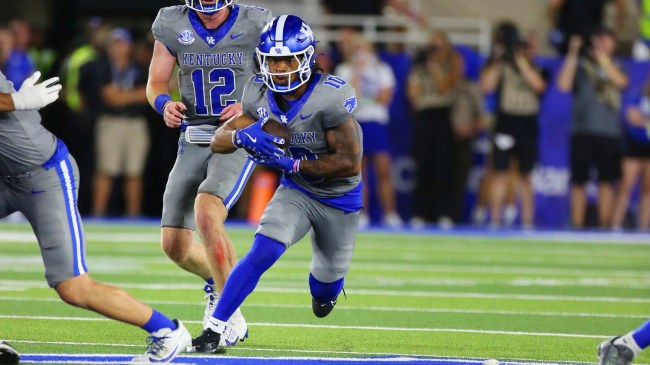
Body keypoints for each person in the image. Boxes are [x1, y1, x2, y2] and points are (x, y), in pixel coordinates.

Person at [191, 14, 363, 352]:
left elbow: (349, 163)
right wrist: (242, 137)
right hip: (296, 190)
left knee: (324, 289)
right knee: (264, 248)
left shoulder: (330, 96)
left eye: (288, 59)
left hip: (338, 198)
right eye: (274, 60)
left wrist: (295, 162)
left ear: (307, 58)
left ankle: (328, 291)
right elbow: (218, 141)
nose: (281, 67)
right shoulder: (258, 91)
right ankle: (215, 328)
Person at [0, 69, 190, 362]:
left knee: (73, 287)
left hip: (44, 176)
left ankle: (167, 332)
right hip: (7, 177)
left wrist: (15, 101)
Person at [146, 0, 272, 342]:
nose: (210, 12)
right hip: (193, 135)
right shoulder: (171, 21)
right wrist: (164, 104)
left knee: (207, 211)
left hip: (237, 134)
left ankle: (224, 314)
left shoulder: (256, 21)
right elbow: (156, 83)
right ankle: (219, 286)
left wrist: (251, 106)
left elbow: (281, 82)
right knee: (175, 245)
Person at [557, 28, 628, 228]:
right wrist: (573, 53)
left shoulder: (619, 66)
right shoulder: (581, 66)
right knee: (579, 181)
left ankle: (605, 225)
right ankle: (577, 225)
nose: (602, 44)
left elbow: (621, 82)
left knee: (606, 181)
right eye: (599, 40)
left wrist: (603, 58)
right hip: (582, 130)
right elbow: (563, 85)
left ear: (613, 44)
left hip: (608, 132)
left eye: (606, 40)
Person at [479, 22, 547, 228]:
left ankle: (527, 221)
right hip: (506, 123)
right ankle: (495, 219)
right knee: (499, 171)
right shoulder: (503, 66)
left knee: (525, 175)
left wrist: (521, 61)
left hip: (527, 124)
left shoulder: (540, 68)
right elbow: (485, 86)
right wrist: (499, 61)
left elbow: (538, 85)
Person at [334, 34, 402, 228]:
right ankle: (360, 214)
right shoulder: (344, 70)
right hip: (355, 123)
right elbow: (350, 99)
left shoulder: (383, 70)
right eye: (358, 50)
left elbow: (385, 98)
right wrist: (358, 73)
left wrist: (369, 89)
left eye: (366, 49)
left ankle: (391, 214)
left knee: (384, 169)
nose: (363, 54)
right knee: (358, 172)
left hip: (376, 122)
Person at [406, 30, 464, 228]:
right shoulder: (419, 65)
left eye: (439, 45)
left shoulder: (453, 63)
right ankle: (421, 213)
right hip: (424, 116)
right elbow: (413, 94)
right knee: (423, 165)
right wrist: (424, 66)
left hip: (442, 114)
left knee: (443, 166)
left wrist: (435, 66)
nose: (435, 50)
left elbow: (444, 88)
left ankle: (444, 212)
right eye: (432, 45)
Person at [92, 27, 150, 217]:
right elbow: (112, 98)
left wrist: (124, 96)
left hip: (135, 123)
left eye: (121, 44)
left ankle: (133, 214)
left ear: (129, 46)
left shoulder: (139, 68)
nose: (117, 48)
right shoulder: (101, 68)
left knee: (135, 172)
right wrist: (136, 94)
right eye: (114, 44)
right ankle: (98, 213)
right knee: (105, 169)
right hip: (111, 122)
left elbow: (148, 94)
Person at [611, 78, 650, 230]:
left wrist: (642, 119)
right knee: (625, 185)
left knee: (648, 189)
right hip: (633, 145)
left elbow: (637, 117)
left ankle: (643, 227)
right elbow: (631, 116)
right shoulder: (637, 94)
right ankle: (615, 225)